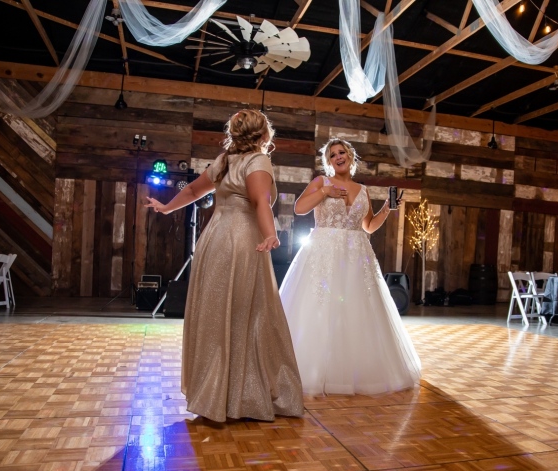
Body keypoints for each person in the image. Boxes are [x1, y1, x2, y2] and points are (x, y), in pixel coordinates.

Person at [144, 109, 304, 422]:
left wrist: (165, 208)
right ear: (262, 135)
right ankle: (242, 396)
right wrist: (271, 234)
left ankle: (216, 392)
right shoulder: (258, 161)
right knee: (247, 313)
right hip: (242, 240)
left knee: (217, 313)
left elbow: (191, 190)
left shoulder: (223, 161)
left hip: (213, 239)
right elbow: (260, 201)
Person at [279, 138, 422, 395]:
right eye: (332, 155)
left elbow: (367, 227)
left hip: (356, 256)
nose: (338, 157)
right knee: (319, 308)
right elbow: (299, 208)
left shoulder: (363, 189)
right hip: (324, 253)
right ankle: (313, 370)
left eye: (341, 152)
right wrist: (325, 193)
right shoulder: (321, 182)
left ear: (350, 156)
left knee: (356, 312)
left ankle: (352, 372)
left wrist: (387, 210)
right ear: (329, 161)